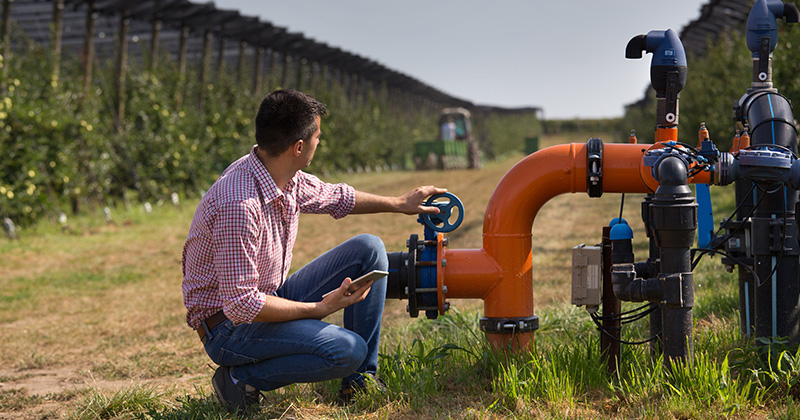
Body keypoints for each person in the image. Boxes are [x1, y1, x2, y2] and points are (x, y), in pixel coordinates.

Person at [181, 89, 446, 413]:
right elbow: (241, 305)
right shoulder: (240, 204)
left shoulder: (279, 174)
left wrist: (399, 203)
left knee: (369, 248)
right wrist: (318, 309)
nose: (320, 142)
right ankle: (239, 379)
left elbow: (337, 197)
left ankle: (358, 382)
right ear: (299, 147)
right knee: (346, 350)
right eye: (317, 136)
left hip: (266, 298)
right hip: (227, 329)